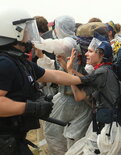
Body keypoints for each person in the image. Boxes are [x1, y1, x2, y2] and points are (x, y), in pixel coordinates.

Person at [0, 8, 83, 155]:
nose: (29, 36)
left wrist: (83, 80)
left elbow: (53, 75)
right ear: (15, 32)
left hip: (13, 139)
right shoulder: (5, 63)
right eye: (27, 30)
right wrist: (31, 108)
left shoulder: (18, 61)